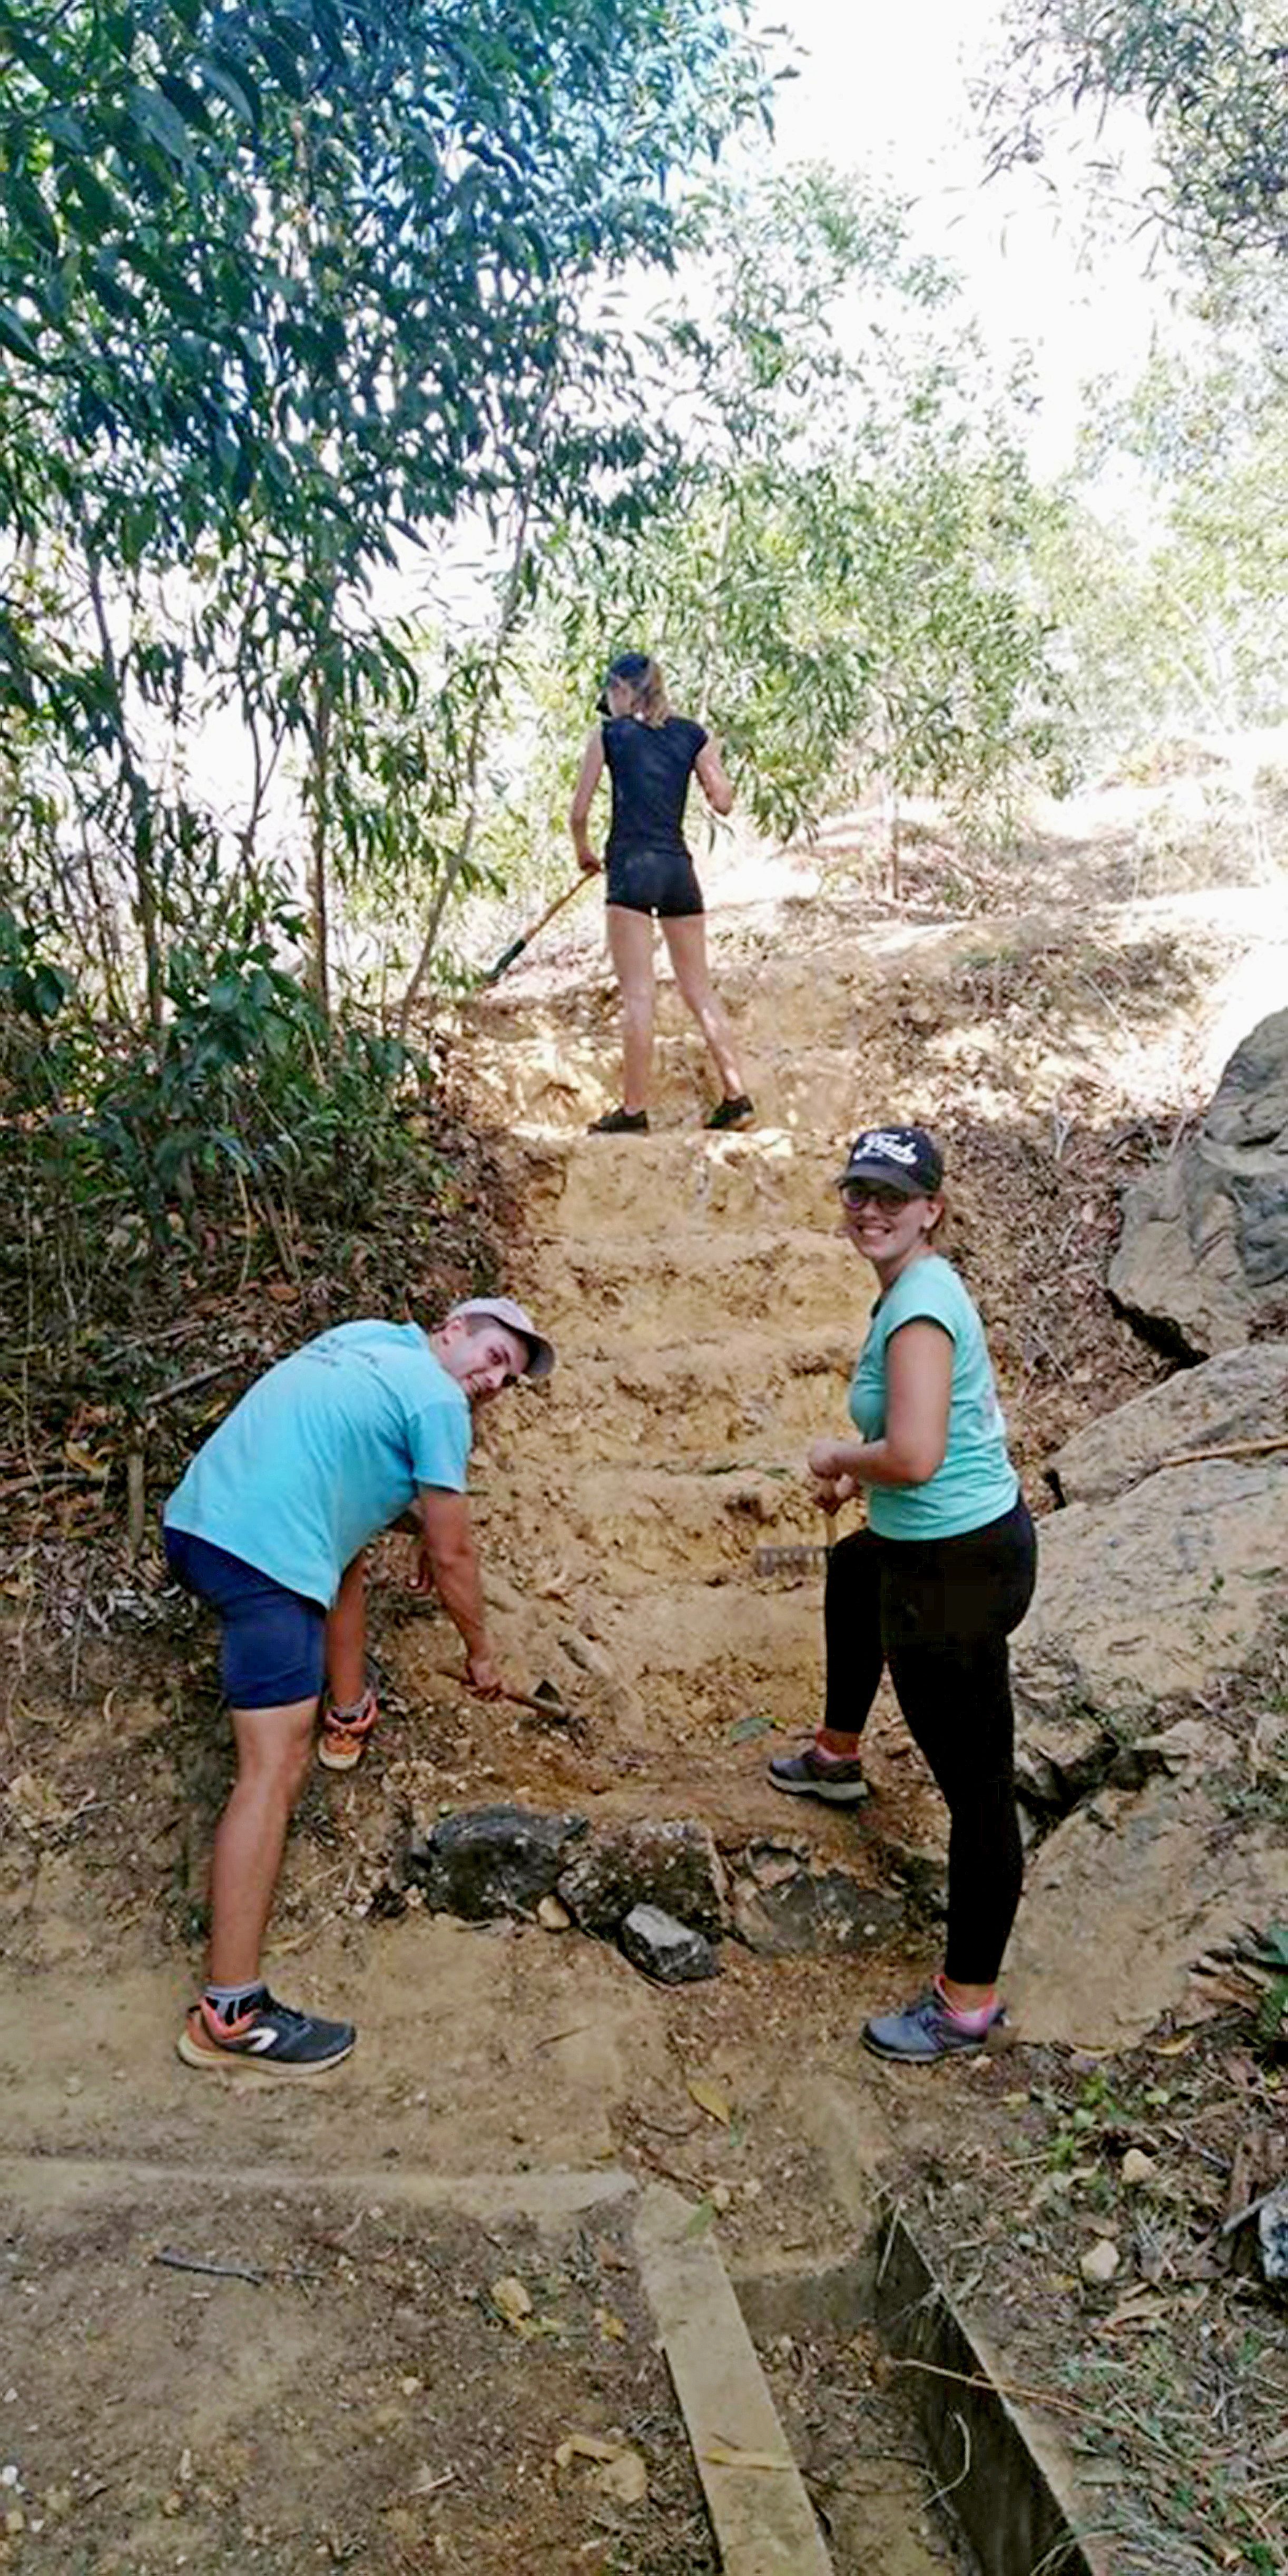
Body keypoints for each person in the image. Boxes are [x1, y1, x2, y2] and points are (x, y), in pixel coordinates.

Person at [162, 1295, 554, 2077]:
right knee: (273, 1770)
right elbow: (454, 1558)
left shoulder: (367, 1340)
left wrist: (406, 1517)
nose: (493, 1381)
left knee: (346, 1552)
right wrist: (480, 1655)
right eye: (493, 1357)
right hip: (262, 1558)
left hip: (198, 1523)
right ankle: (230, 2015)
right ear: (451, 1331)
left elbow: (347, 1466)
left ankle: (351, 1707)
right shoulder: (438, 1399)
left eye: (508, 1377)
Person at [768, 1127, 1037, 2064]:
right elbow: (921, 1452)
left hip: (955, 1571)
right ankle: (837, 1754)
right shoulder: (914, 1292)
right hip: (947, 1546)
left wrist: (841, 1458)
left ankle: (966, 2001)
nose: (871, 1210)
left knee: (977, 1790)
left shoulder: (921, 1306)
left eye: (893, 1195)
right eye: (857, 1192)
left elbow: (916, 1457)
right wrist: (862, 1486)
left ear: (933, 1209)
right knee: (854, 1569)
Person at [569, 649, 754, 1134]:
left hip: (631, 867)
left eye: (608, 694)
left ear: (621, 689)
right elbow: (723, 800)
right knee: (699, 989)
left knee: (638, 994)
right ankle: (736, 1096)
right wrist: (712, 780)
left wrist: (583, 851)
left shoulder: (608, 735)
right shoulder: (694, 735)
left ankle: (634, 1110)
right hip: (677, 870)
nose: (606, 705)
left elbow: (578, 811)